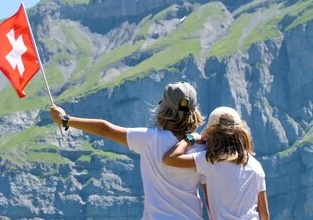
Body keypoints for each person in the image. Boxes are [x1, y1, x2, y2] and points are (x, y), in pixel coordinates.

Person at [50, 82, 209, 219]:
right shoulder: (203, 149)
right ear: (194, 113)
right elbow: (210, 199)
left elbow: (105, 129)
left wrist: (65, 119)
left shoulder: (150, 139)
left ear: (163, 110)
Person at [163, 107, 270, 220]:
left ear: (212, 134)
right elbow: (264, 214)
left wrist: (190, 138)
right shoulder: (256, 165)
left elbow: (170, 158)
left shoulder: (209, 160)